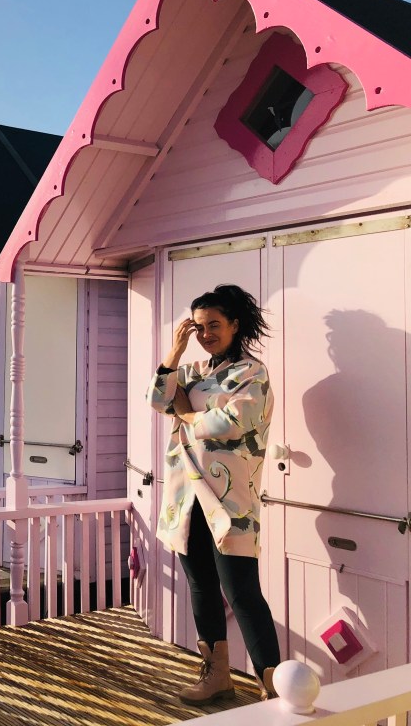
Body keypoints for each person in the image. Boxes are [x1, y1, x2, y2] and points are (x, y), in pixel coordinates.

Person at [146, 284, 280, 704]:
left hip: (229, 501)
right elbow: (156, 397)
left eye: (214, 325)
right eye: (198, 327)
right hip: (186, 498)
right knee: (201, 586)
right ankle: (216, 675)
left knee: (242, 593)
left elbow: (227, 424)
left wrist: (184, 411)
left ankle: (271, 690)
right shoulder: (193, 370)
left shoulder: (251, 374)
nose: (205, 334)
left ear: (235, 325)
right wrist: (174, 351)